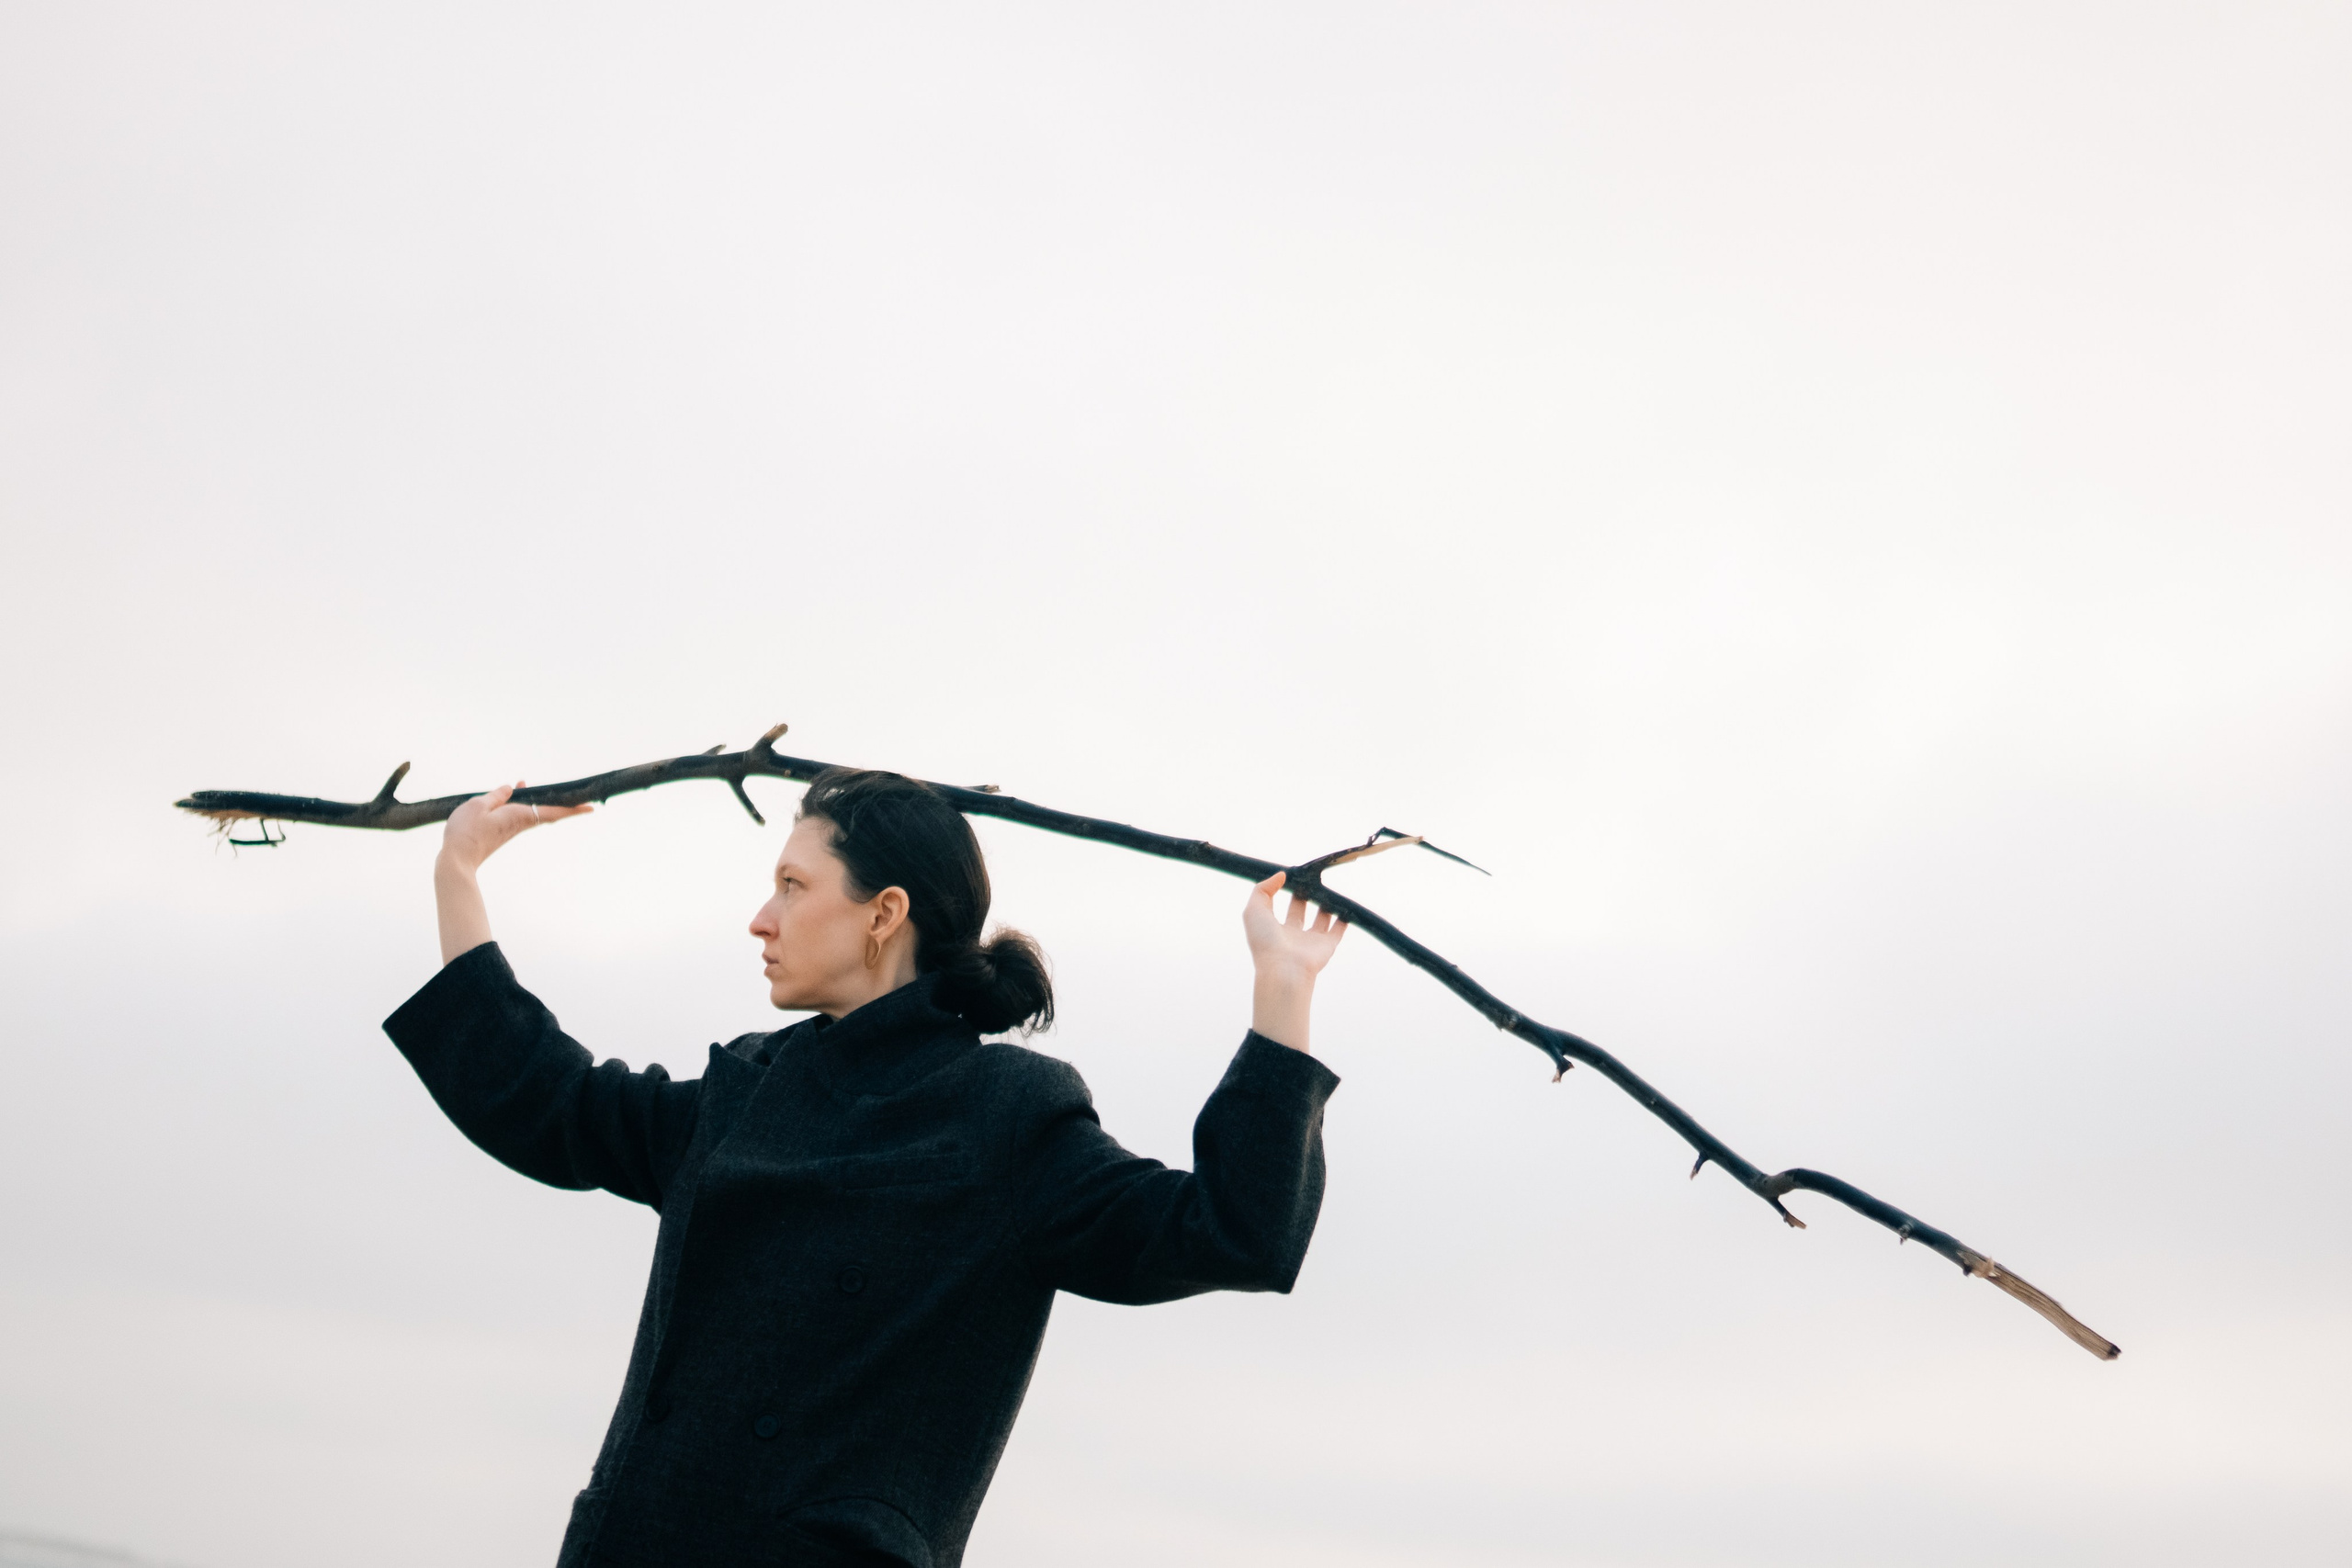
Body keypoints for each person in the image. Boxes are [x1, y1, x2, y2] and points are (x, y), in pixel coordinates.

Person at [383, 766, 1348, 1568]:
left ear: (883, 913)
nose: (761, 919)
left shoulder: (1007, 1117)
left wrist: (1283, 989)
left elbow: (1231, 1230)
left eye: (793, 886)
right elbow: (550, 1103)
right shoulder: (741, 1094)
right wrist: (457, 873)